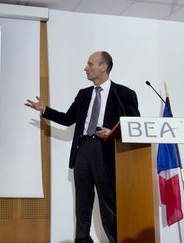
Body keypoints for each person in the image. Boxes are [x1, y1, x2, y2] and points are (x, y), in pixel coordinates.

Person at [25, 51, 140, 243]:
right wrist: (45, 110)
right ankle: (82, 240)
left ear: (103, 67)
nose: (86, 68)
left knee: (109, 205)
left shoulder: (124, 94)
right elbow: (68, 118)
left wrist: (111, 132)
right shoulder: (84, 94)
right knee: (82, 205)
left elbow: (134, 125)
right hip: (83, 150)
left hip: (107, 151)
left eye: (90, 64)